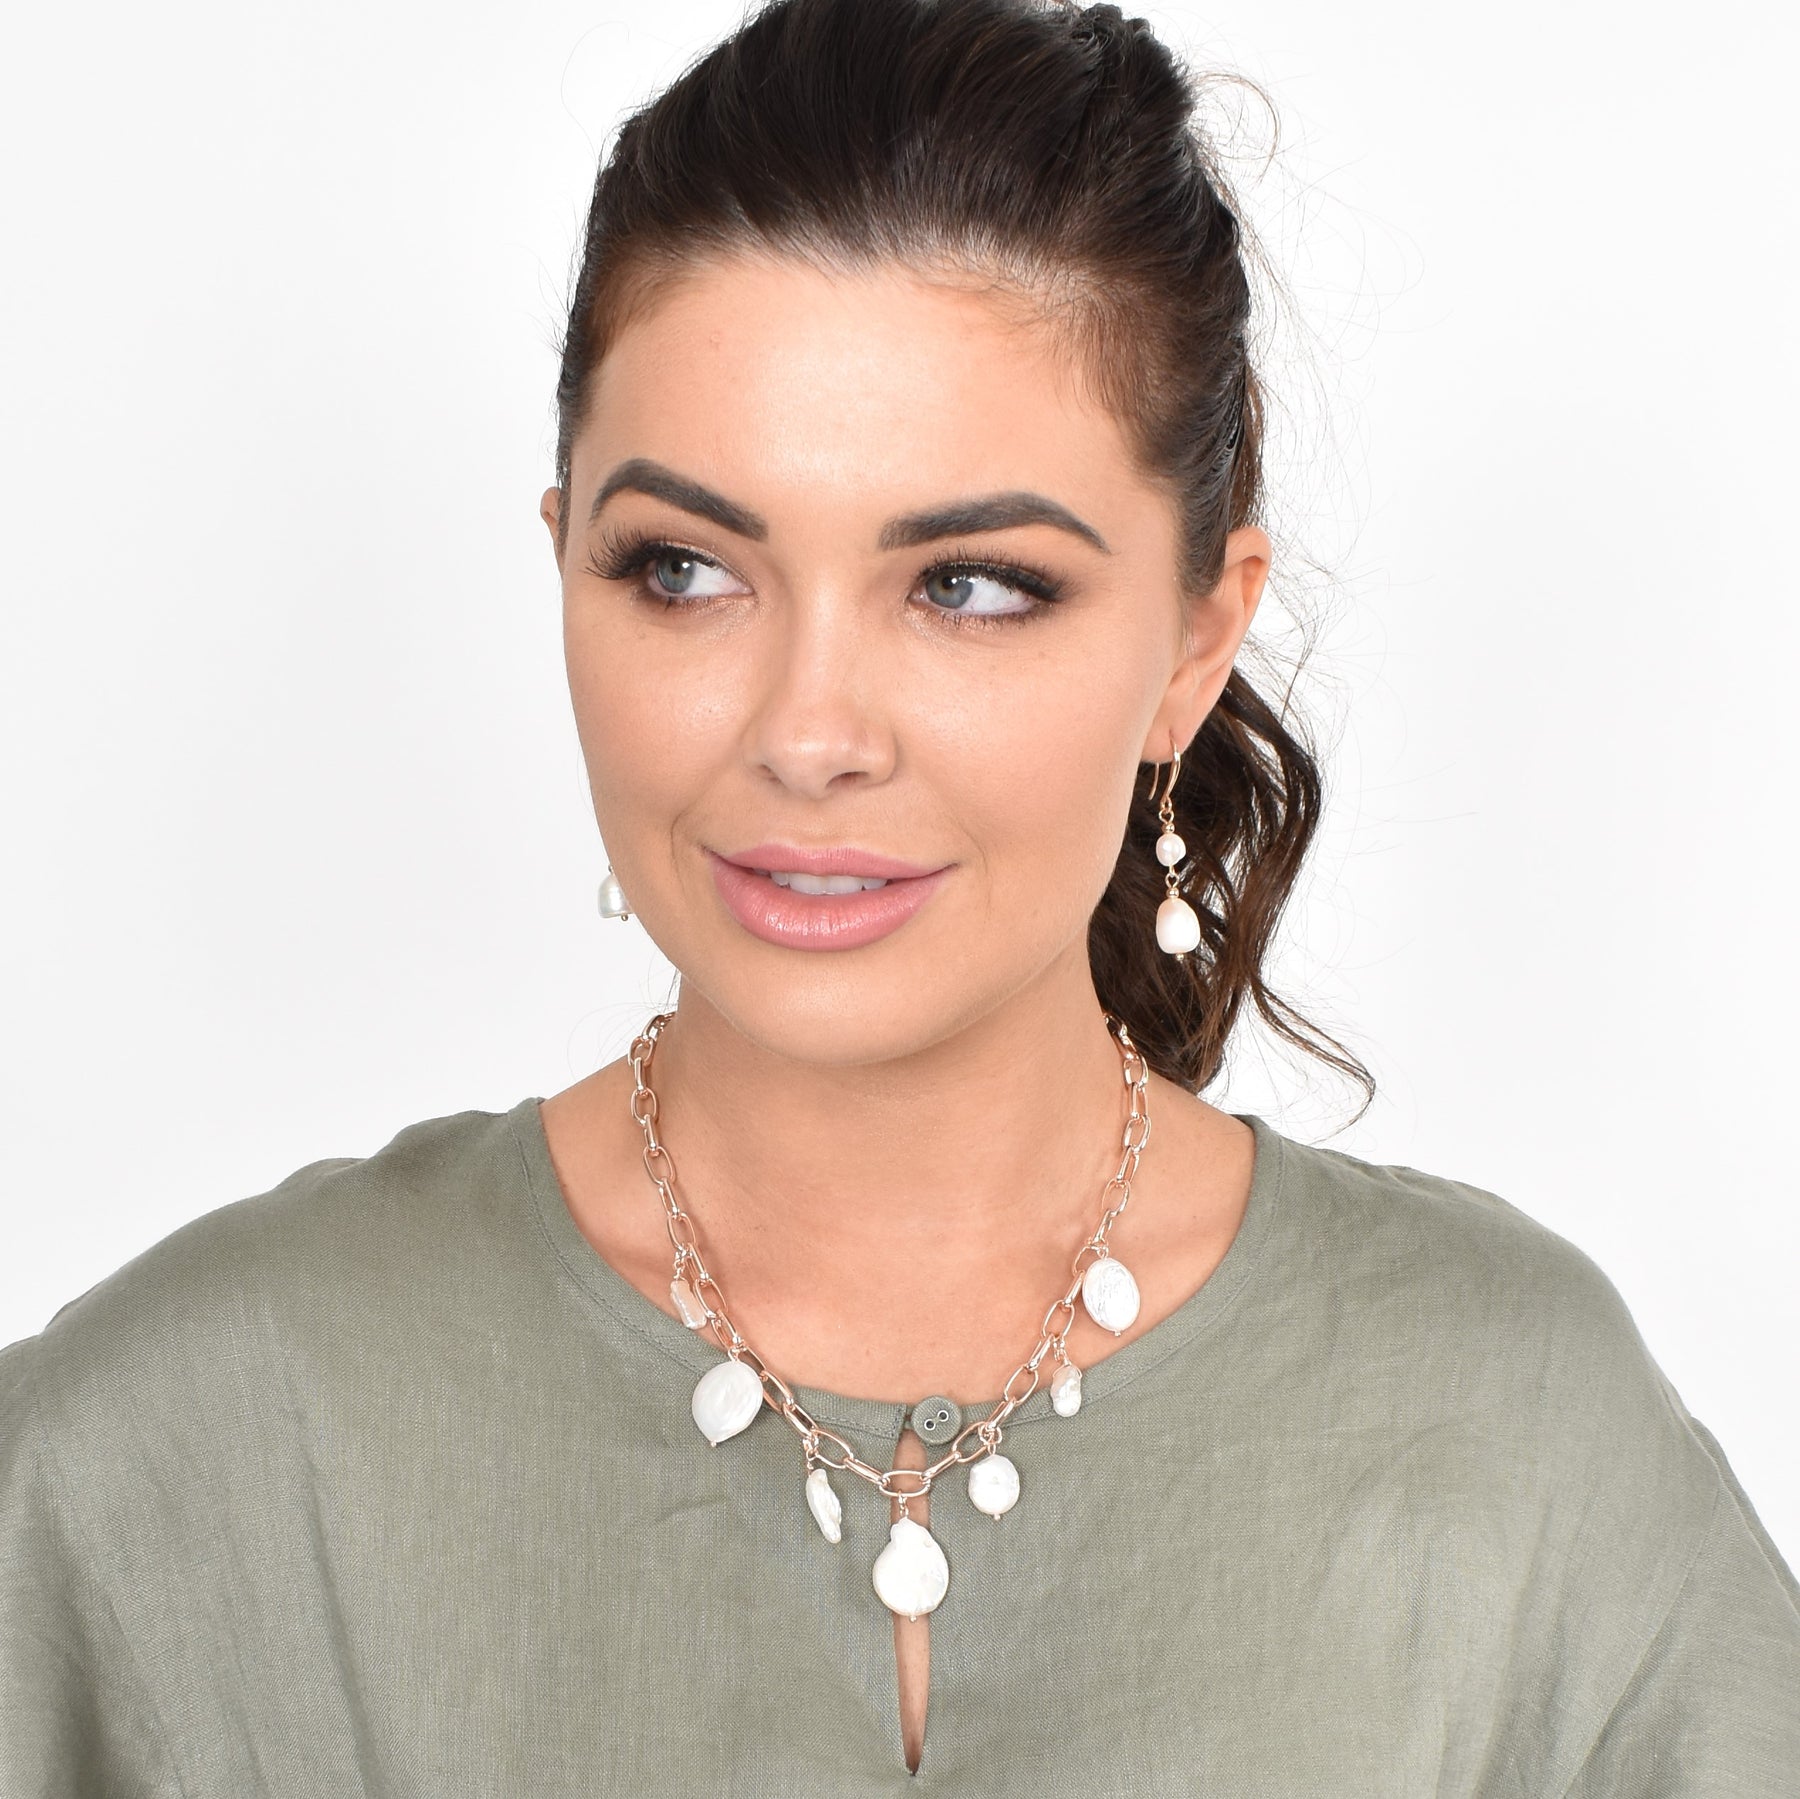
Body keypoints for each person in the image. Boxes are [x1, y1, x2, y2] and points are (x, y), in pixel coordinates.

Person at [3, 0, 1796, 1789]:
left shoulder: (1513, 1438)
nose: (809, 734)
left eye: (973, 586)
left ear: (1196, 642)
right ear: (566, 568)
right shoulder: (180, 1452)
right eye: (684, 569)